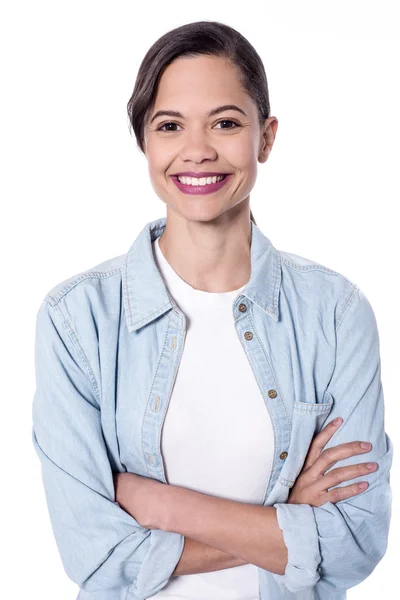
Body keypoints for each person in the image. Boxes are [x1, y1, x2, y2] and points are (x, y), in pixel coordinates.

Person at [31, 20, 393, 600]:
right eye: (169, 126)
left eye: (226, 123)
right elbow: (95, 558)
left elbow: (354, 543)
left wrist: (168, 506)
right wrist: (289, 517)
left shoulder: (335, 314)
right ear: (145, 143)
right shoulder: (78, 320)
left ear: (266, 138)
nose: (197, 151)